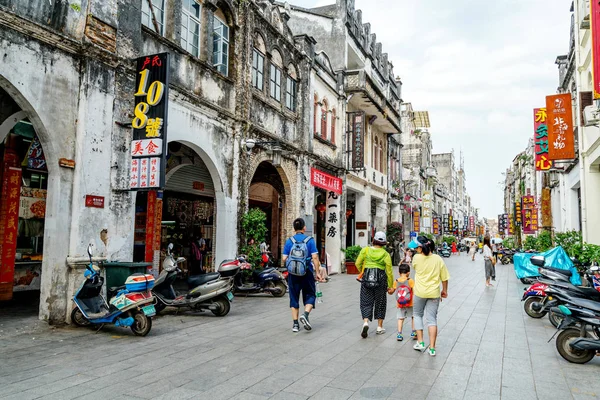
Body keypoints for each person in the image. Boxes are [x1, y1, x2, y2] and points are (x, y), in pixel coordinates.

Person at [408, 236, 450, 357]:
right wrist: (445, 291)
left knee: (417, 315)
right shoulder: (438, 259)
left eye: (417, 247)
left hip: (420, 293)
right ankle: (432, 348)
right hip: (434, 293)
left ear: (421, 248)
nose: (415, 249)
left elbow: (415, 267)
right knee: (432, 319)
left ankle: (420, 342)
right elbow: (444, 278)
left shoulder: (416, 258)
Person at [282, 218, 324, 333]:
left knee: (294, 297)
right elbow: (315, 258)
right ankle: (305, 315)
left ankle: (295, 325)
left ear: (294, 228)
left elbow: (284, 258)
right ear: (304, 228)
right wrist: (318, 273)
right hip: (307, 273)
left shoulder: (289, 241)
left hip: (293, 274)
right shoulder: (310, 240)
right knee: (310, 294)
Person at [356, 232, 394, 338]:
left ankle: (366, 322)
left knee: (365, 301)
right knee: (380, 302)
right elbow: (389, 271)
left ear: (374, 240)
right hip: (381, 280)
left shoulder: (366, 250)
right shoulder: (385, 254)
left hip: (367, 279)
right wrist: (390, 286)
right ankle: (379, 327)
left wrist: (363, 272)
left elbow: (357, 263)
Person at [393, 263, 416, 341]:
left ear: (399, 273)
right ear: (408, 272)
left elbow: (393, 290)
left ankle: (399, 334)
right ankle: (413, 332)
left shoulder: (396, 281)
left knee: (400, 318)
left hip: (400, 304)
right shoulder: (410, 281)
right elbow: (415, 290)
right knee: (413, 317)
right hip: (410, 303)